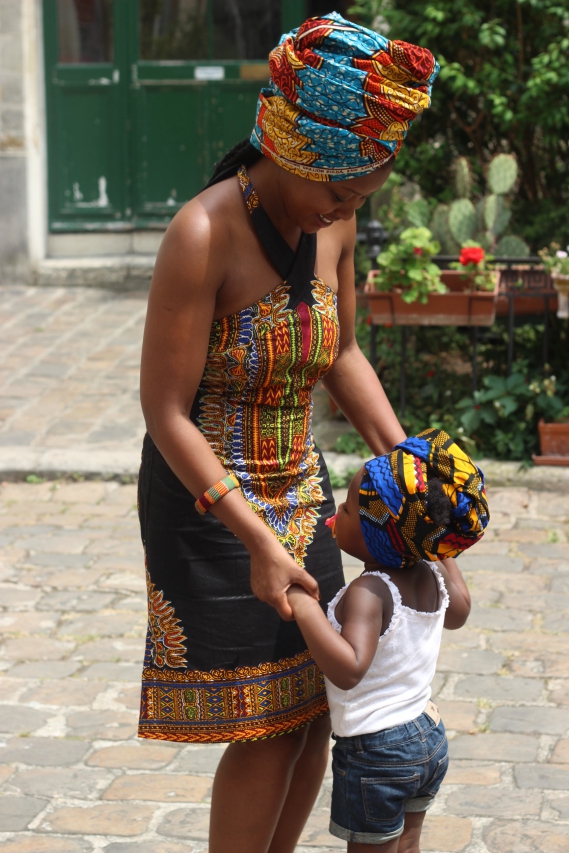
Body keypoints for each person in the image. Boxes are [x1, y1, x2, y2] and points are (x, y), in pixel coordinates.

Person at [137, 12, 439, 853]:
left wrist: (412, 470)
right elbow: (163, 410)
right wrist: (254, 538)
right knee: (264, 723)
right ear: (285, 153)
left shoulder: (330, 221)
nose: (342, 212)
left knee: (314, 710)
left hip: (296, 484)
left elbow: (340, 351)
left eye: (357, 198)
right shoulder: (203, 235)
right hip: (207, 499)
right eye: (335, 192)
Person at [287, 428, 490, 852]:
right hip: (426, 735)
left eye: (343, 511)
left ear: (374, 534)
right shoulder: (431, 573)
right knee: (408, 844)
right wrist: (437, 548)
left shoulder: (369, 593)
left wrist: (303, 606)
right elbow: (460, 612)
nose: (333, 517)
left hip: (377, 751)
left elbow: (348, 669)